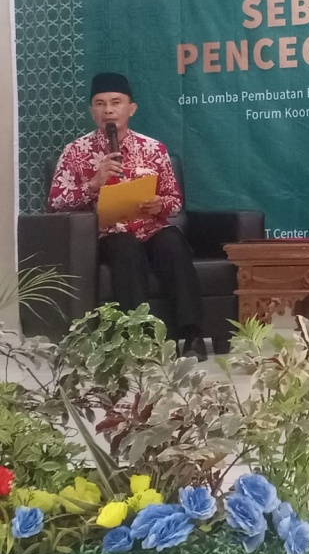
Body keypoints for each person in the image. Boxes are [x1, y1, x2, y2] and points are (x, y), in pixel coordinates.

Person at [48, 73, 212, 361]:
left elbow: (174, 201)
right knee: (126, 248)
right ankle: (139, 337)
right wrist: (93, 184)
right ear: (92, 111)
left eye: (116, 103)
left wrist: (159, 205)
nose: (108, 110)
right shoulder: (75, 152)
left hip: (150, 226)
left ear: (131, 109)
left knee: (172, 245)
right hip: (108, 233)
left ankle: (192, 335)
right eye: (100, 104)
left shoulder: (153, 148)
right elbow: (55, 203)